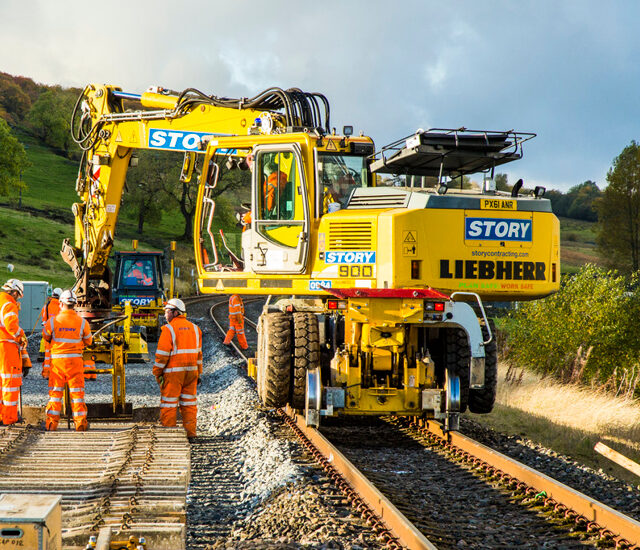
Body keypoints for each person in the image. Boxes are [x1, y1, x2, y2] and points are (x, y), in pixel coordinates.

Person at [42, 290, 92, 432]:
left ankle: (52, 424)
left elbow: (46, 336)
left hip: (58, 363)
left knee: (55, 394)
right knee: (77, 395)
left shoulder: (53, 321)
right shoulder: (82, 322)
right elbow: (89, 341)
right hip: (75, 363)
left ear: (61, 304)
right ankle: (80, 424)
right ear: (75, 304)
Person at [153, 298, 203, 440]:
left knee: (169, 404)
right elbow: (199, 354)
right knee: (189, 404)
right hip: (192, 372)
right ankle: (190, 434)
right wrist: (199, 372)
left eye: (167, 312)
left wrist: (157, 372)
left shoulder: (168, 330)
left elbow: (162, 355)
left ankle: (169, 434)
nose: (165, 315)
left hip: (174, 374)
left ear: (176, 312)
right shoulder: (195, 329)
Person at [0, 279, 25, 425]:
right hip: (5, 346)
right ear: (15, 293)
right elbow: (11, 326)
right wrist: (20, 334)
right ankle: (9, 418)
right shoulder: (9, 304)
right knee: (10, 382)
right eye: (18, 296)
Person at [40, 287, 62, 379]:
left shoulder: (46, 306)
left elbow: (44, 320)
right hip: (58, 335)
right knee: (57, 355)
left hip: (47, 334)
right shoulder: (61, 306)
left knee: (48, 356)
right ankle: (56, 374)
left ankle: (46, 374)